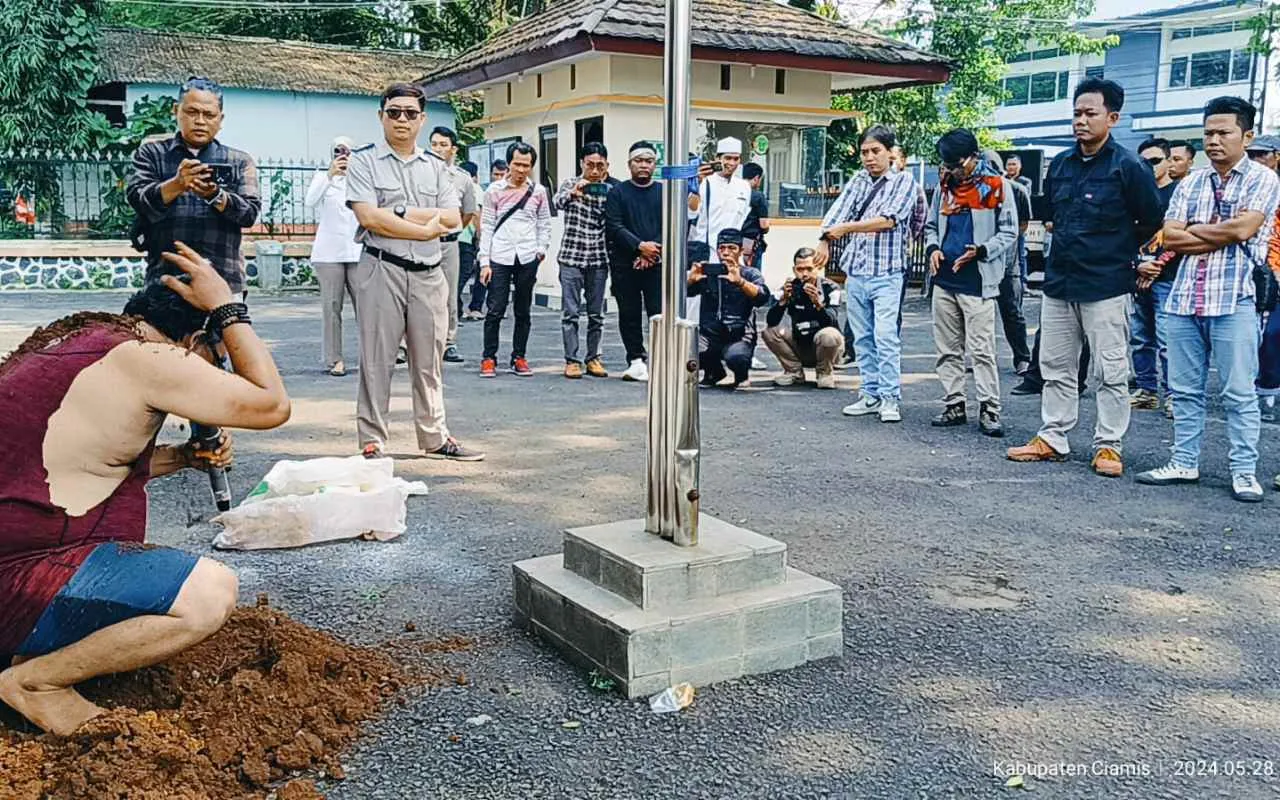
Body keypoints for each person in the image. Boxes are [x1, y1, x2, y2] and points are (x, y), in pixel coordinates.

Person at [0, 242, 288, 736]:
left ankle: (34, 648)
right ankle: (34, 682)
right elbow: (270, 406)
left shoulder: (87, 341)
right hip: (18, 581)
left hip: (18, 561)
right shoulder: (148, 359)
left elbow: (79, 464)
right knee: (207, 592)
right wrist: (229, 308)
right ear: (195, 342)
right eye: (212, 361)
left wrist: (180, 458)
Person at [1006, 78, 1164, 477]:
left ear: (1112, 117)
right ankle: (1053, 436)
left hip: (1107, 284)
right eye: (1076, 113)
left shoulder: (1129, 167)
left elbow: (1150, 221)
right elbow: (1053, 218)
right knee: (1056, 365)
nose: (1081, 121)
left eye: (1090, 113)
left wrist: (1116, 251)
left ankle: (1108, 445)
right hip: (1060, 283)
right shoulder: (1059, 165)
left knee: (1110, 370)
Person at [1135, 97, 1280, 503]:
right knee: (1183, 390)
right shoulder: (1192, 182)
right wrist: (1214, 232)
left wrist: (1195, 233)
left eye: (1224, 133)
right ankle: (1183, 461)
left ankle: (1244, 471)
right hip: (1183, 299)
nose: (1214, 141)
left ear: (1246, 136)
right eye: (1208, 134)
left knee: (1238, 392)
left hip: (1235, 298)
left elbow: (1245, 230)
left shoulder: (1263, 178)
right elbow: (1170, 236)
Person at [346, 83, 482, 461]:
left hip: (428, 272)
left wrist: (401, 213)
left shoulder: (438, 168)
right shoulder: (363, 162)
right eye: (394, 112)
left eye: (410, 113)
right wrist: (423, 227)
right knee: (376, 358)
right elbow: (368, 217)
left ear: (422, 119)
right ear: (381, 116)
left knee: (429, 360)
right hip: (380, 268)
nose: (401, 119)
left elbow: (454, 218)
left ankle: (435, 436)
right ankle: (372, 440)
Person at [815, 124, 921, 424]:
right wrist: (824, 237)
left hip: (887, 271)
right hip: (857, 270)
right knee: (862, 338)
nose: (869, 158)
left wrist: (845, 228)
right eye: (864, 152)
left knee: (886, 336)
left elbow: (888, 221)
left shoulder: (905, 182)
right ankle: (870, 393)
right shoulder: (859, 180)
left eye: (876, 151)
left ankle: (890, 397)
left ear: (890, 153)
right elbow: (838, 210)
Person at [127, 76, 260, 298]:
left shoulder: (239, 161)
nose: (200, 121)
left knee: (226, 335)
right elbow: (138, 198)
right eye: (191, 112)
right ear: (176, 111)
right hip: (164, 281)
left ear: (220, 119)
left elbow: (249, 214)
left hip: (224, 282)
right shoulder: (151, 154)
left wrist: (215, 195)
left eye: (209, 115)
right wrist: (177, 184)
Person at [925, 132, 1018, 438]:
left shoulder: (996, 186)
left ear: (973, 157)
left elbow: (1009, 232)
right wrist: (933, 248)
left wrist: (981, 250)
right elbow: (930, 225)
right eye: (946, 163)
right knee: (947, 348)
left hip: (978, 279)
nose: (951, 169)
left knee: (982, 350)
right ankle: (954, 402)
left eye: (956, 163)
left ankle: (989, 407)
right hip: (944, 277)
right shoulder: (945, 184)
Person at [478, 142, 552, 378]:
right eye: (517, 164)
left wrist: (541, 249)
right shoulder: (494, 191)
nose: (521, 170)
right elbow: (487, 225)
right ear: (509, 163)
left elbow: (544, 223)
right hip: (499, 255)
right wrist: (485, 261)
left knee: (523, 310)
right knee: (495, 309)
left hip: (528, 256)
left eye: (526, 165)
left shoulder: (538, 191)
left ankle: (519, 357)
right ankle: (489, 358)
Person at [554, 142, 617, 379]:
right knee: (570, 312)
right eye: (590, 165)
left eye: (599, 165)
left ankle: (594, 358)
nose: (594, 170)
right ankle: (572, 360)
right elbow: (557, 202)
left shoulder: (611, 190)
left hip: (598, 259)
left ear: (606, 166)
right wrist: (575, 192)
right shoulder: (571, 184)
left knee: (596, 314)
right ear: (582, 164)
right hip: (571, 257)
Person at [605, 141, 665, 383]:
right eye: (638, 161)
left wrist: (652, 253)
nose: (643, 165)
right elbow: (614, 226)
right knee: (628, 313)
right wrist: (640, 248)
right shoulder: (617, 192)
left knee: (658, 314)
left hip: (656, 264)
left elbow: (672, 224)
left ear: (654, 165)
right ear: (629, 164)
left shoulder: (664, 192)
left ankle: (662, 359)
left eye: (648, 161)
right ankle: (636, 360)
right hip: (625, 265)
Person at [1129, 137, 1180, 412]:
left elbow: (1185, 235)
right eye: (1143, 162)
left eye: (1155, 161)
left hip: (1168, 276)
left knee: (1167, 340)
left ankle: (1173, 395)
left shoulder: (1179, 194)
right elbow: (1123, 235)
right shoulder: (1134, 194)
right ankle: (1146, 390)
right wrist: (1137, 263)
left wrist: (1157, 265)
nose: (1149, 166)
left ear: (1169, 161)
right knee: (1139, 338)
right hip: (1137, 275)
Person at [305, 136, 361, 377]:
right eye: (338, 151)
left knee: (367, 307)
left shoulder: (361, 179)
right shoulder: (322, 178)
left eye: (347, 151)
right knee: (332, 307)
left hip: (358, 251)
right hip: (329, 253)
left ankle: (372, 357)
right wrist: (329, 176)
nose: (343, 156)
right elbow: (310, 202)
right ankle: (334, 359)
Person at [688, 228, 770, 388]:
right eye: (722, 248)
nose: (725, 253)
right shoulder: (708, 273)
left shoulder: (750, 273)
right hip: (710, 335)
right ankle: (714, 372)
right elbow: (683, 294)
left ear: (740, 250)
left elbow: (762, 297)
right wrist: (691, 280)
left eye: (731, 248)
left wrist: (740, 282)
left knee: (736, 356)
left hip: (739, 335)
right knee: (686, 350)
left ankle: (741, 376)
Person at [428, 126, 480, 365]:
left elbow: (468, 212)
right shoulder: (420, 171)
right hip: (421, 240)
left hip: (449, 243)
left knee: (449, 293)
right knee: (414, 294)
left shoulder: (462, 177)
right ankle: (404, 345)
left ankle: (449, 342)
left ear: (453, 149)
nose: (438, 149)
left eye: (443, 145)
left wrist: (453, 228)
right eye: (434, 144)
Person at [762, 247, 843, 388]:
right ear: (794, 270)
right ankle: (794, 371)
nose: (805, 274)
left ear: (818, 267)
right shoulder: (790, 287)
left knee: (830, 334)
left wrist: (818, 304)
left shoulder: (831, 288)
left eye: (809, 269)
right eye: (800, 270)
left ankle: (825, 373)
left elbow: (832, 321)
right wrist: (783, 301)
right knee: (769, 332)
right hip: (800, 343)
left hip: (826, 347)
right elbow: (771, 321)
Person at [996, 152, 1033, 375]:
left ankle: (1022, 357)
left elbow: (1023, 224)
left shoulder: (1018, 189)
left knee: (1012, 312)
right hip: (979, 262)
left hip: (1009, 264)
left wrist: (1005, 245)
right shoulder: (974, 190)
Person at [690, 137, 752, 262]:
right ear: (718, 159)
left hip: (733, 254)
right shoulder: (705, 182)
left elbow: (743, 218)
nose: (732, 163)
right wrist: (696, 186)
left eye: (736, 159)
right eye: (728, 158)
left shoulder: (744, 186)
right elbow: (691, 212)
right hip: (707, 252)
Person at [457, 161, 483, 322]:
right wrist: (480, 238)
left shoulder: (451, 184)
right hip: (466, 238)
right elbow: (476, 214)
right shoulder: (475, 188)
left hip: (450, 238)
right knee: (462, 276)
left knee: (453, 277)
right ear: (475, 176)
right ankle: (452, 311)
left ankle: (456, 311)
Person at [740, 162, 771, 269]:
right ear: (757, 178)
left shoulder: (733, 192)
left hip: (734, 242)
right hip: (751, 244)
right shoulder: (758, 196)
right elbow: (764, 225)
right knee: (753, 278)